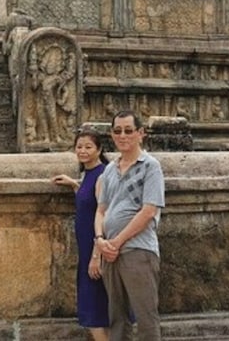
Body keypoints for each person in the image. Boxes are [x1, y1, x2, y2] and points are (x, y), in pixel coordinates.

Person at [94, 110, 165, 341]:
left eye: (128, 131)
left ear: (140, 133)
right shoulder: (109, 170)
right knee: (116, 318)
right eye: (117, 131)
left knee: (145, 317)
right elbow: (101, 210)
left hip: (138, 250)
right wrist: (100, 240)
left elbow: (148, 211)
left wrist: (116, 242)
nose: (122, 136)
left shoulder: (150, 166)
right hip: (110, 252)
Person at [52, 128, 111, 341]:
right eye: (79, 146)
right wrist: (74, 184)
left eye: (88, 147)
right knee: (97, 306)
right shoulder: (88, 175)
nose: (83, 151)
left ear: (99, 149)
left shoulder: (103, 175)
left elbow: (102, 213)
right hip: (87, 246)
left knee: (95, 309)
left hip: (96, 246)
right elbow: (89, 200)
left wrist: (97, 255)